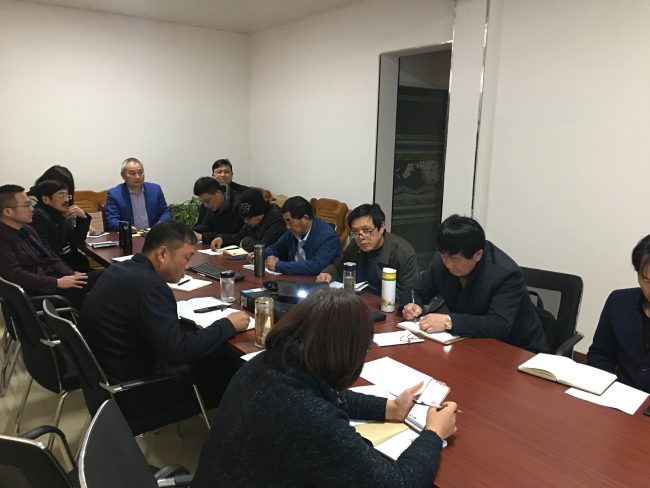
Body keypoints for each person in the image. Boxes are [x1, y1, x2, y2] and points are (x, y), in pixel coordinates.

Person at [192, 289, 457, 487]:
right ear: (346, 354)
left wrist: (389, 408)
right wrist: (433, 434)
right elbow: (399, 483)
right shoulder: (312, 420)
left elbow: (323, 394)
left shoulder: (267, 363)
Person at [79, 220, 251, 412]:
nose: (187, 266)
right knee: (231, 366)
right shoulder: (151, 287)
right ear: (162, 254)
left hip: (106, 381)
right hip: (135, 392)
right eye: (186, 258)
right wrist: (228, 325)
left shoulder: (122, 269)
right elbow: (178, 352)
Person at [401, 214, 548, 352]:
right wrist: (412, 305)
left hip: (517, 350)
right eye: (444, 256)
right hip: (470, 343)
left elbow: (499, 324)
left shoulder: (505, 274)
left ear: (478, 255)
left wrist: (449, 321)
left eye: (455, 259)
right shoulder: (441, 262)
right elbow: (415, 289)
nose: (448, 264)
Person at [0, 184, 93, 309]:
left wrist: (70, 274)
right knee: (104, 282)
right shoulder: (3, 238)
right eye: (27, 205)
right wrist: (56, 282)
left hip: (54, 282)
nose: (32, 209)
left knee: (106, 277)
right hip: (41, 295)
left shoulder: (27, 229)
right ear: (8, 211)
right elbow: (15, 275)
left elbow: (49, 256)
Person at [587, 234, 650, 393]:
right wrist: (604, 389)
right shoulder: (618, 302)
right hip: (619, 397)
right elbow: (600, 354)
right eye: (647, 280)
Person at [318, 203, 419, 295]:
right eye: (355, 231)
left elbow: (408, 293)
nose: (361, 237)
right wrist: (328, 273)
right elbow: (338, 266)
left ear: (381, 227)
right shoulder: (355, 245)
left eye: (366, 230)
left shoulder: (402, 253)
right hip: (360, 301)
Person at [264, 196, 342, 275]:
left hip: (316, 281)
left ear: (305, 218)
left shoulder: (329, 237)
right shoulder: (293, 232)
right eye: (285, 221)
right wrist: (265, 255)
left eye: (289, 221)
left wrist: (278, 265)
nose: (287, 226)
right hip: (293, 279)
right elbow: (276, 248)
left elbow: (316, 266)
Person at [31, 179, 92, 272]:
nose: (66, 199)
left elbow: (76, 240)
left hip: (70, 266)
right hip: (58, 272)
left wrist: (82, 217)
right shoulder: (38, 217)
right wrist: (69, 273)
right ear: (46, 199)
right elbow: (46, 253)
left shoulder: (57, 214)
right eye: (61, 195)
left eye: (67, 195)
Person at [105, 157, 171, 231]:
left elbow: (165, 212)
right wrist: (127, 227)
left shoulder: (155, 190)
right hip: (130, 234)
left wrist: (159, 225)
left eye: (140, 172)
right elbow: (112, 220)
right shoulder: (114, 194)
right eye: (132, 173)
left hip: (152, 234)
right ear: (123, 176)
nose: (137, 177)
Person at [210, 188, 285, 252]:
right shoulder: (252, 221)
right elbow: (238, 237)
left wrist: (244, 242)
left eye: (248, 218)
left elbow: (264, 246)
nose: (245, 222)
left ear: (260, 213)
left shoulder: (277, 220)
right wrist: (222, 239)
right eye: (244, 218)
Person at [192, 177, 243, 245]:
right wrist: (190, 232)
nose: (205, 205)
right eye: (203, 202)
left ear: (218, 193)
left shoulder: (239, 204)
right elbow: (206, 226)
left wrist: (203, 237)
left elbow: (233, 235)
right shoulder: (212, 206)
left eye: (207, 201)